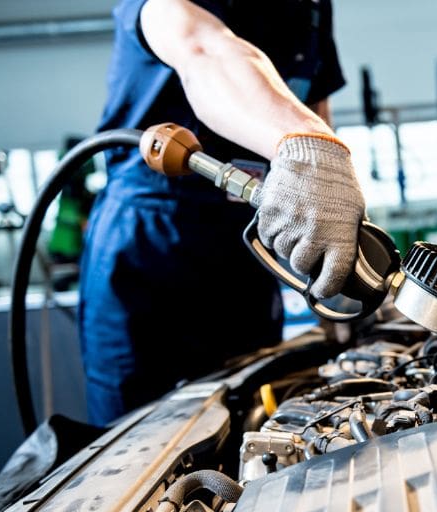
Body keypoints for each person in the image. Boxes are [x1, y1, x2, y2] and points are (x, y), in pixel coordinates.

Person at [80, 0, 365, 426]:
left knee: (250, 417)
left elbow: (315, 113)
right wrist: (307, 148)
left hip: (246, 241)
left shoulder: (312, 7)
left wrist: (340, 216)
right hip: (149, 240)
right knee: (134, 439)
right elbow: (203, 49)